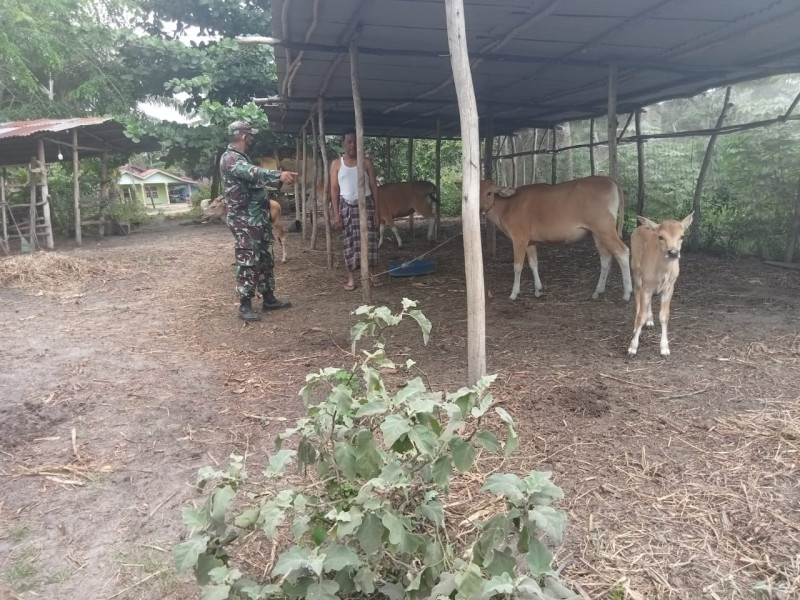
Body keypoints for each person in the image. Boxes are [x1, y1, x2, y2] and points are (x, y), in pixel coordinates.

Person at [220, 120, 297, 321]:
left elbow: (256, 177)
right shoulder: (230, 158)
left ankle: (268, 297)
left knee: (265, 258)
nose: (253, 137)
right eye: (251, 134)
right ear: (245, 136)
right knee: (247, 260)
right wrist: (279, 175)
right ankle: (245, 305)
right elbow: (252, 172)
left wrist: (278, 178)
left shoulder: (241, 158)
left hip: (258, 218)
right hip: (244, 220)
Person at [330, 130, 382, 291]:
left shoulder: (366, 162)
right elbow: (334, 190)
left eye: (355, 142)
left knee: (371, 240)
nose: (352, 145)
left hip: (366, 204)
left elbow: (373, 186)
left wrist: (378, 210)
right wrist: (336, 214)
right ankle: (351, 278)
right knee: (349, 242)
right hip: (347, 205)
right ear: (343, 143)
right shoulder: (337, 164)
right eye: (349, 142)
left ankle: (373, 275)